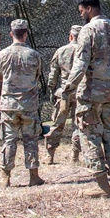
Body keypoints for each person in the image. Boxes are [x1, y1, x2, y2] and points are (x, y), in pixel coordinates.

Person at [61, 0, 110, 200]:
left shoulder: (88, 30)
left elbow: (80, 64)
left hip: (91, 94)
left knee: (90, 138)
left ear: (89, 9)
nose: (81, 15)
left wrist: (67, 89)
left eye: (82, 11)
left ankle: (102, 187)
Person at [0, 19, 45, 188]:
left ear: (11, 34)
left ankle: (5, 176)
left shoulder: (2, 54)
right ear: (25, 34)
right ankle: (33, 176)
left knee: (9, 140)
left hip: (9, 104)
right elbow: (37, 76)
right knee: (31, 140)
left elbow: (0, 76)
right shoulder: (34, 55)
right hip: (29, 104)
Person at [45, 24, 83, 164]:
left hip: (63, 94)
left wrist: (51, 89)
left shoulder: (61, 51)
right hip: (80, 93)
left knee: (57, 124)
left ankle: (50, 155)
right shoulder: (85, 51)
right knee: (78, 125)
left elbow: (53, 74)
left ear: (70, 36)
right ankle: (75, 156)